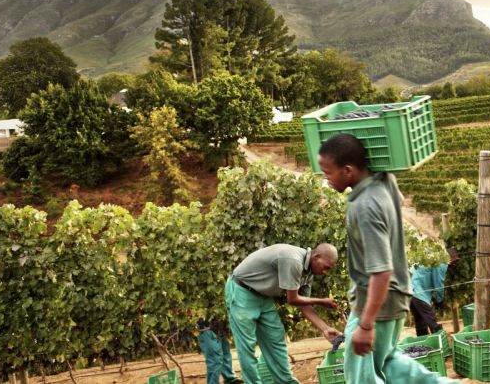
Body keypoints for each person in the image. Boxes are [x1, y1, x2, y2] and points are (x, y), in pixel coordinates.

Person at [318, 133, 457, 384]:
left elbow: (381, 271)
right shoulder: (385, 182)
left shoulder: (365, 207)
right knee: (389, 362)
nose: (325, 178)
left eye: (328, 172)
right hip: (396, 294)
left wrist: (366, 324)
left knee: (361, 374)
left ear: (348, 171)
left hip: (377, 302)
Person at [225, 243, 343, 384]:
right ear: (316, 257)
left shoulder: (308, 272)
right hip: (242, 291)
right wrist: (322, 301)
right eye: (326, 267)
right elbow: (292, 299)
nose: (325, 272)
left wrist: (325, 328)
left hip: (264, 296)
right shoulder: (293, 260)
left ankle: (286, 382)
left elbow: (303, 304)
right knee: (247, 346)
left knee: (276, 338)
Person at [409, 247, 458, 336]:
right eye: (453, 262)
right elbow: (438, 283)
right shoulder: (442, 262)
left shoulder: (432, 257)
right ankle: (441, 344)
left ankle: (423, 345)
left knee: (420, 320)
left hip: (409, 290)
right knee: (431, 320)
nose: (453, 264)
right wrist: (440, 301)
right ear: (449, 258)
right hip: (418, 292)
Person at [196, 319, 243, 384]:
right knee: (214, 359)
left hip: (221, 326)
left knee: (226, 354)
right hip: (207, 326)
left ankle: (230, 378)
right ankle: (213, 382)